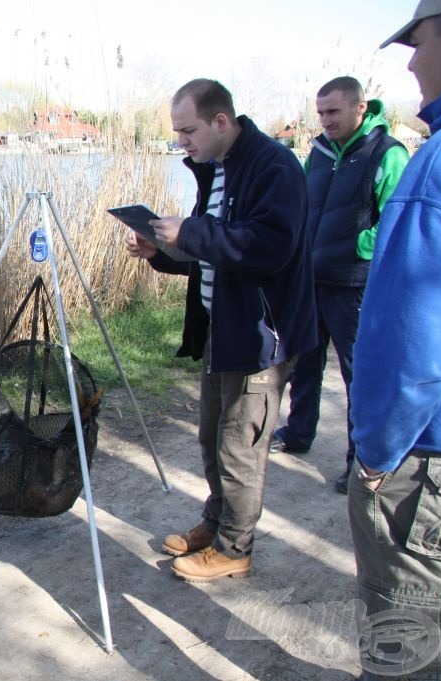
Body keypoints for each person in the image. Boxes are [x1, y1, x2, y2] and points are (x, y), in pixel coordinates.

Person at [125, 79, 316, 582]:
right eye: (177, 132)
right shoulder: (218, 170)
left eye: (188, 130)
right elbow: (217, 252)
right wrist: (163, 251)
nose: (181, 142)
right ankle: (216, 523)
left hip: (259, 338)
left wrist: (187, 232)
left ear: (220, 121)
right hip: (222, 330)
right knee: (212, 437)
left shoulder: (274, 167)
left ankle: (235, 549)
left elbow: (268, 247)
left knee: (240, 446)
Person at [348, 3, 441, 678]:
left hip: (431, 459)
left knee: (408, 645)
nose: (410, 61)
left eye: (420, 40)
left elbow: (413, 341)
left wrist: (377, 456)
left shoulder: (435, 165)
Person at [270, 76, 408, 496]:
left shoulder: (388, 153)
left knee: (357, 375)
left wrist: (354, 247)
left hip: (354, 284)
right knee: (305, 362)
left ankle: (360, 460)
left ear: (360, 108)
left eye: (333, 112)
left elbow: (396, 224)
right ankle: (298, 432)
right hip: (311, 278)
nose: (325, 120)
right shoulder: (319, 151)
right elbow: (301, 205)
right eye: (320, 113)